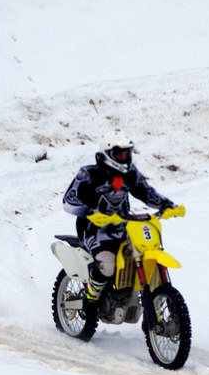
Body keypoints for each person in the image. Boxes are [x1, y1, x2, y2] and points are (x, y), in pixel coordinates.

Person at [63, 131, 178, 311]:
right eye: (120, 154)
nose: (124, 157)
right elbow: (69, 202)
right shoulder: (89, 174)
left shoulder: (130, 173)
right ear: (107, 154)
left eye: (126, 153)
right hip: (93, 228)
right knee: (107, 264)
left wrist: (166, 204)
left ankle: (149, 303)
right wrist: (91, 213)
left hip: (124, 225)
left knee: (144, 251)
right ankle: (90, 300)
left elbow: (145, 192)